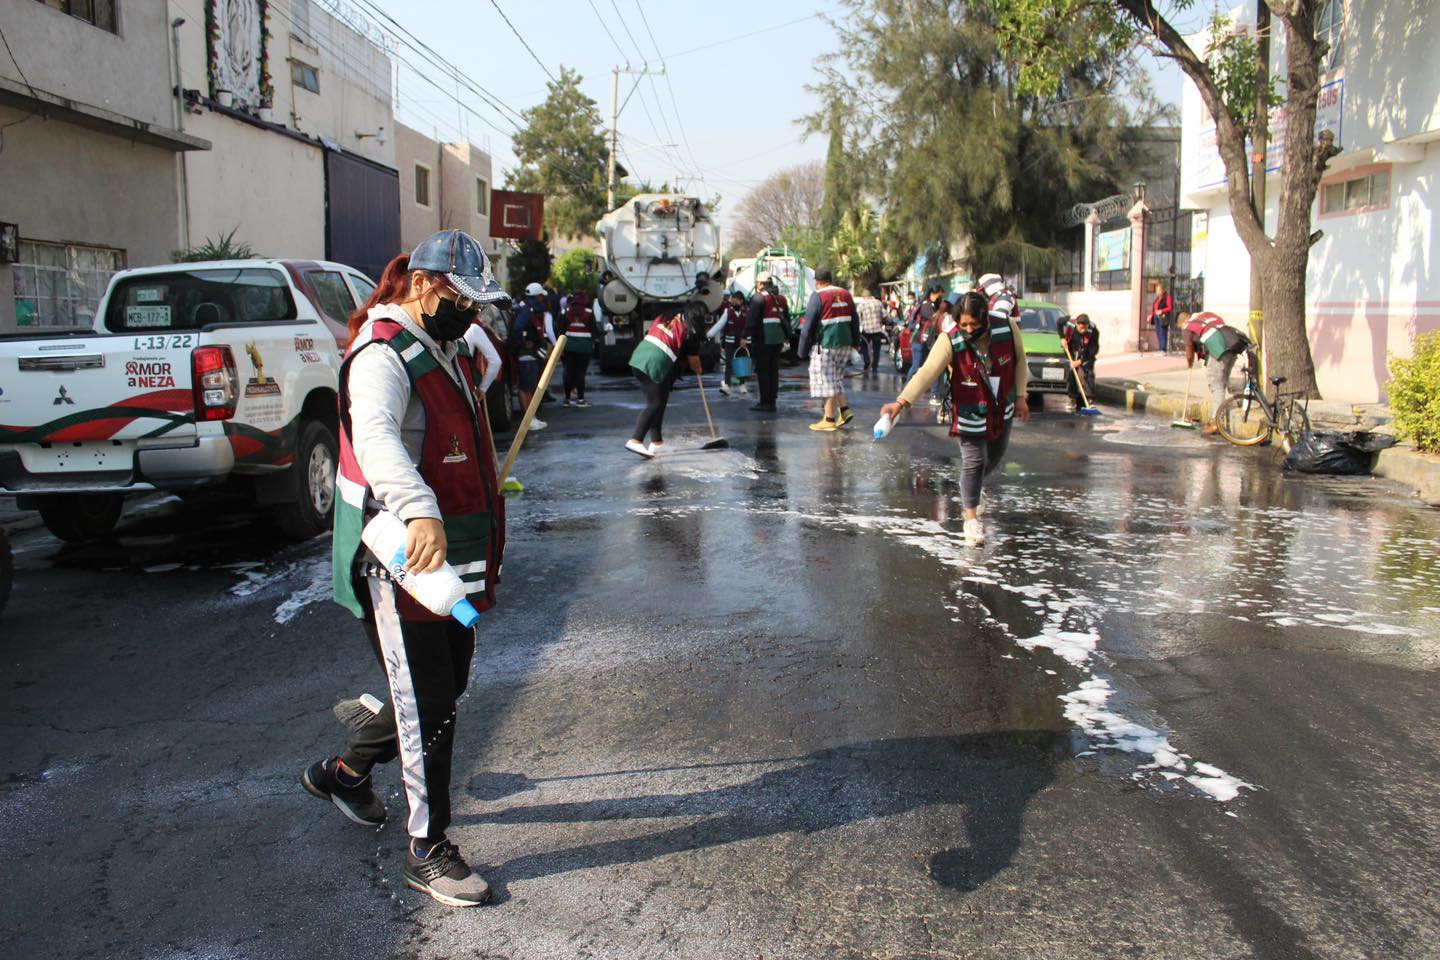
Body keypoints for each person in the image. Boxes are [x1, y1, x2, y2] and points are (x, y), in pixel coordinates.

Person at [305, 229, 508, 908]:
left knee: (441, 694)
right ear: (424, 286)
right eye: (462, 297)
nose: (471, 313)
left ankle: (348, 768)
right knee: (427, 704)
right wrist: (422, 509)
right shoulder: (381, 353)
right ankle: (428, 848)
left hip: (445, 557)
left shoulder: (443, 347)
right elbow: (377, 440)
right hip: (398, 554)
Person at [878, 290, 1031, 547]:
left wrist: (1022, 396)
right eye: (964, 324)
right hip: (969, 406)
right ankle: (970, 519)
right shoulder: (951, 339)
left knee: (995, 455)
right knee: (974, 461)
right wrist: (901, 403)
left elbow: (1019, 361)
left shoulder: (1007, 327)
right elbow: (927, 372)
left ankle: (974, 490)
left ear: (986, 318)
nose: (969, 329)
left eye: (974, 324)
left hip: (1001, 404)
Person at [626, 309, 706, 457]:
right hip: (654, 364)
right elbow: (694, 361)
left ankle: (657, 443)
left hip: (640, 358)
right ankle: (636, 440)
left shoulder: (667, 317)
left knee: (660, 402)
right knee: (655, 404)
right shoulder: (690, 331)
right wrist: (699, 369)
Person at [797, 269, 861, 432]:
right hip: (845, 343)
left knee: (825, 380)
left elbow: (807, 327)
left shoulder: (818, 296)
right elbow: (855, 320)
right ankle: (844, 410)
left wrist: (802, 351)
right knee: (835, 378)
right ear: (830, 279)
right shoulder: (846, 294)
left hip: (826, 344)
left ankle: (829, 419)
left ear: (817, 281)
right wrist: (856, 343)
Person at [1180, 310, 1250, 435]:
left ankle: (1216, 422)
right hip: (1232, 345)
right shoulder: (1206, 316)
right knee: (1221, 383)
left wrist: (1189, 363)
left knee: (1216, 384)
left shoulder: (1187, 327)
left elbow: (1189, 351)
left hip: (1219, 349)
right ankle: (1223, 411)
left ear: (1183, 321)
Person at [508, 282, 555, 431]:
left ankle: (531, 418)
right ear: (538, 296)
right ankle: (528, 420)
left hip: (529, 354)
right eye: (541, 296)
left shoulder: (525, 307)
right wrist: (524, 343)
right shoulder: (527, 310)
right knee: (526, 387)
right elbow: (517, 329)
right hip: (526, 355)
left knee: (530, 386)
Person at [746, 273, 787, 413]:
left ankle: (765, 402)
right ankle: (772, 401)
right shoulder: (781, 299)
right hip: (778, 340)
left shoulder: (759, 298)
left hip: (763, 339)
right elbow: (786, 318)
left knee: (763, 371)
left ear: (761, 284)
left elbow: (752, 321)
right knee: (773, 370)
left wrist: (744, 336)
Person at [560, 290, 599, 407]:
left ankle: (566, 399)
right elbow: (594, 331)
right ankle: (580, 400)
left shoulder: (566, 311)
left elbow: (560, 329)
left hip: (569, 347)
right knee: (580, 373)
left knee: (569, 372)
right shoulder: (589, 312)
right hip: (584, 348)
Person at [707, 290, 749, 397]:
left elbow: (750, 327)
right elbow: (719, 324)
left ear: (741, 301)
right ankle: (727, 386)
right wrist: (708, 335)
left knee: (742, 364)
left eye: (736, 301)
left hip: (742, 344)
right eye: (732, 301)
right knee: (729, 363)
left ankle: (742, 384)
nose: (734, 303)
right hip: (729, 343)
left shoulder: (747, 312)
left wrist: (748, 339)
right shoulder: (727, 312)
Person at [911, 282, 947, 403]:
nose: (940, 298)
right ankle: (908, 391)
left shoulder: (933, 305)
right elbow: (934, 318)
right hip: (920, 341)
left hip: (930, 341)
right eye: (939, 295)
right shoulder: (926, 305)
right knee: (916, 366)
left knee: (934, 366)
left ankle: (934, 394)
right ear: (933, 293)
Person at [1061, 313, 1100, 412]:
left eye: (1085, 328)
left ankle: (1090, 400)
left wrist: (1081, 361)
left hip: (1087, 353)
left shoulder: (1093, 331)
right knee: (1072, 374)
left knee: (1088, 373)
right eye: (1081, 328)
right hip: (1073, 350)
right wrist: (1062, 337)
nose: (1083, 331)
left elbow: (1094, 349)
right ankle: (1072, 399)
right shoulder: (1069, 323)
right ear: (1077, 324)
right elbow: (1058, 323)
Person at [854, 284, 886, 372]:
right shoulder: (878, 303)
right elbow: (885, 315)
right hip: (877, 329)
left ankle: (867, 361)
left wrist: (858, 329)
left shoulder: (862, 305)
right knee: (876, 349)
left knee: (864, 347)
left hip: (866, 330)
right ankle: (875, 366)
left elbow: (857, 318)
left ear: (864, 297)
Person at [1150, 281, 1175, 353]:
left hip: (1163, 317)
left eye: (1158, 290)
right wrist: (1151, 315)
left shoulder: (1167, 297)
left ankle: (1163, 349)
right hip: (1156, 317)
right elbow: (1154, 309)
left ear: (1163, 290)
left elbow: (1170, 308)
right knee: (1158, 332)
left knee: (1163, 332)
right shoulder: (1157, 299)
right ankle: (1160, 348)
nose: (1157, 292)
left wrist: (1162, 311)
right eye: (1156, 290)